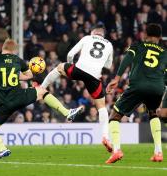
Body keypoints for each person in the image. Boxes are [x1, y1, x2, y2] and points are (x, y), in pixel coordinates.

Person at [0, 39, 82, 160]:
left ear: (2, 48)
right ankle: (67, 112)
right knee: (42, 91)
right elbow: (30, 76)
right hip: (19, 96)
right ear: (14, 50)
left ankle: (2, 149)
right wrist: (16, 75)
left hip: (3, 103)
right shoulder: (18, 60)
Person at [41, 23, 113, 152]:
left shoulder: (87, 38)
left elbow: (70, 54)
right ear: (103, 34)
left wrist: (71, 66)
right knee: (102, 107)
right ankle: (105, 136)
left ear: (93, 32)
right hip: (94, 77)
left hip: (79, 69)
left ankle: (42, 88)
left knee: (60, 68)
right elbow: (108, 65)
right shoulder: (109, 44)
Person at [106, 23, 167, 164]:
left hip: (138, 85)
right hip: (157, 87)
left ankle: (116, 150)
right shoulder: (165, 52)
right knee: (153, 113)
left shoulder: (138, 46)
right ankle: (158, 152)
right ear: (159, 36)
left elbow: (127, 58)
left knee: (115, 116)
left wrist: (117, 78)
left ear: (146, 34)